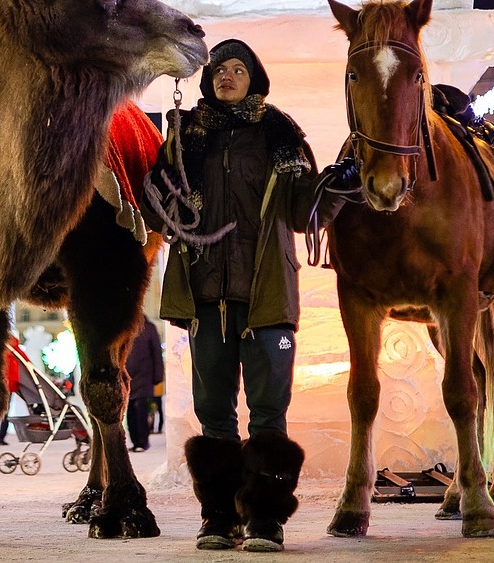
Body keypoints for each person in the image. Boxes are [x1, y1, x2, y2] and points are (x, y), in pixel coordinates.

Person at [142, 38, 353, 553]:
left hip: (267, 298)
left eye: (237, 69)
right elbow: (159, 212)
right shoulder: (187, 136)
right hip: (204, 295)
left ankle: (265, 520)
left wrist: (340, 185)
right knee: (213, 414)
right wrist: (161, 182)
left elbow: (308, 211)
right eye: (218, 70)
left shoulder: (280, 134)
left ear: (254, 77)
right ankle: (218, 517)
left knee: (267, 413)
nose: (226, 77)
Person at [125, 316, 164, 452]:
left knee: (140, 410)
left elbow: (156, 353)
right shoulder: (126, 328)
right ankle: (136, 441)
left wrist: (157, 376)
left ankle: (142, 441)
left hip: (144, 377)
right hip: (129, 378)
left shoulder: (149, 328)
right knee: (130, 412)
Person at [0, 334, 26, 445]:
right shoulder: (14, 349)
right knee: (4, 410)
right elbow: (26, 362)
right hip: (7, 384)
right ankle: (0, 437)